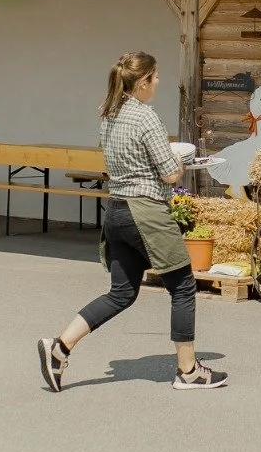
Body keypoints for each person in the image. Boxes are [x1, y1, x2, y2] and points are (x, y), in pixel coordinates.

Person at [38, 52, 228, 392]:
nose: (157, 83)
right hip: (146, 212)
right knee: (183, 285)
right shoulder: (146, 118)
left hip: (117, 210)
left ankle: (60, 346)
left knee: (122, 293)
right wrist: (182, 162)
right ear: (141, 83)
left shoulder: (109, 114)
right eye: (154, 78)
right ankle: (188, 371)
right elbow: (170, 174)